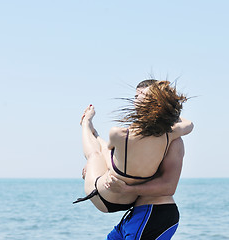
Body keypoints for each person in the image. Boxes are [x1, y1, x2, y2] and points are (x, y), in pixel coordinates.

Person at [74, 80, 193, 235]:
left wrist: (127, 188)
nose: (137, 99)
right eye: (136, 96)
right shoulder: (170, 134)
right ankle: (93, 132)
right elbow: (189, 124)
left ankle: (86, 125)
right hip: (133, 209)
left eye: (143, 95)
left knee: (95, 155)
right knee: (102, 152)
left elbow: (169, 187)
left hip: (143, 210)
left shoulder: (172, 139)